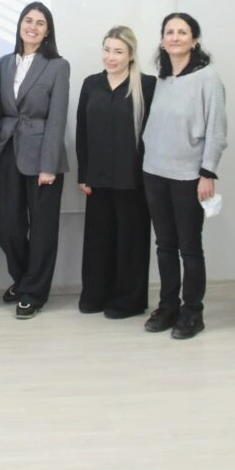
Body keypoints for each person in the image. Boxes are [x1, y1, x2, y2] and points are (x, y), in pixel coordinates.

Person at [141, 12, 227, 340]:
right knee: (164, 244)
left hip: (189, 176)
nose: (175, 37)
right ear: (163, 40)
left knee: (189, 247)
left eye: (182, 32)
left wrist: (207, 173)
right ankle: (168, 306)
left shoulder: (208, 78)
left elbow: (216, 130)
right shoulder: (162, 79)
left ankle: (192, 312)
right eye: (169, 32)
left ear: (194, 40)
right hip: (154, 172)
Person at [0, 2, 70, 319]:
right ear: (20, 24)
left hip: (43, 155)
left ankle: (33, 294)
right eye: (28, 20)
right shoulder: (3, 63)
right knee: (5, 225)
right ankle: (25, 279)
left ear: (47, 31)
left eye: (40, 23)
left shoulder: (57, 65)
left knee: (42, 229)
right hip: (8, 150)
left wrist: (48, 165)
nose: (33, 27)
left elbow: (58, 117)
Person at [75, 26, 155, 319]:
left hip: (132, 178)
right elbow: (81, 130)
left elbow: (153, 133)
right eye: (107, 50)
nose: (110, 57)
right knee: (98, 239)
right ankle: (95, 295)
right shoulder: (91, 84)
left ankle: (128, 301)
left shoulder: (147, 85)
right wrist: (83, 174)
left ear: (131, 55)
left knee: (130, 240)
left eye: (118, 51)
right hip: (97, 177)